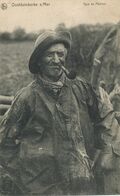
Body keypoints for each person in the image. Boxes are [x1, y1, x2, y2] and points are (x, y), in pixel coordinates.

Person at [0, 29, 120, 195]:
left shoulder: (81, 88)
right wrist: (28, 177)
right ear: (39, 60)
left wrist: (107, 153)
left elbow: (104, 117)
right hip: (45, 188)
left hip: (84, 183)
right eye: (50, 54)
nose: (56, 60)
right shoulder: (27, 97)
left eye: (60, 54)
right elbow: (4, 142)